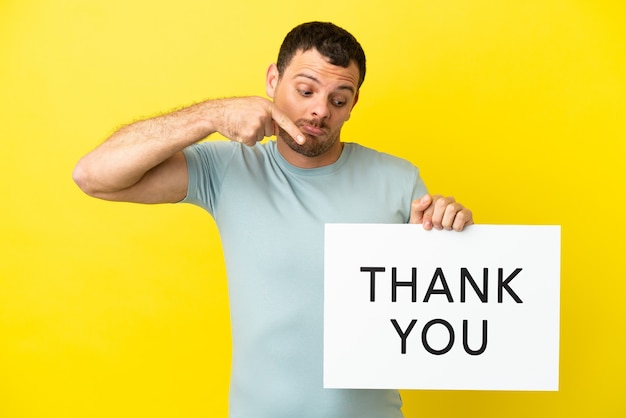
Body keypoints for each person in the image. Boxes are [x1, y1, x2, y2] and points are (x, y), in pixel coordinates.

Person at [73, 21, 473, 418]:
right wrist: (210, 115)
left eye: (339, 99)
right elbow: (93, 176)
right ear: (272, 80)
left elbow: (443, 309)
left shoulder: (400, 180)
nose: (319, 109)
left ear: (352, 107)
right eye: (305, 90)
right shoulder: (228, 168)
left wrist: (453, 234)